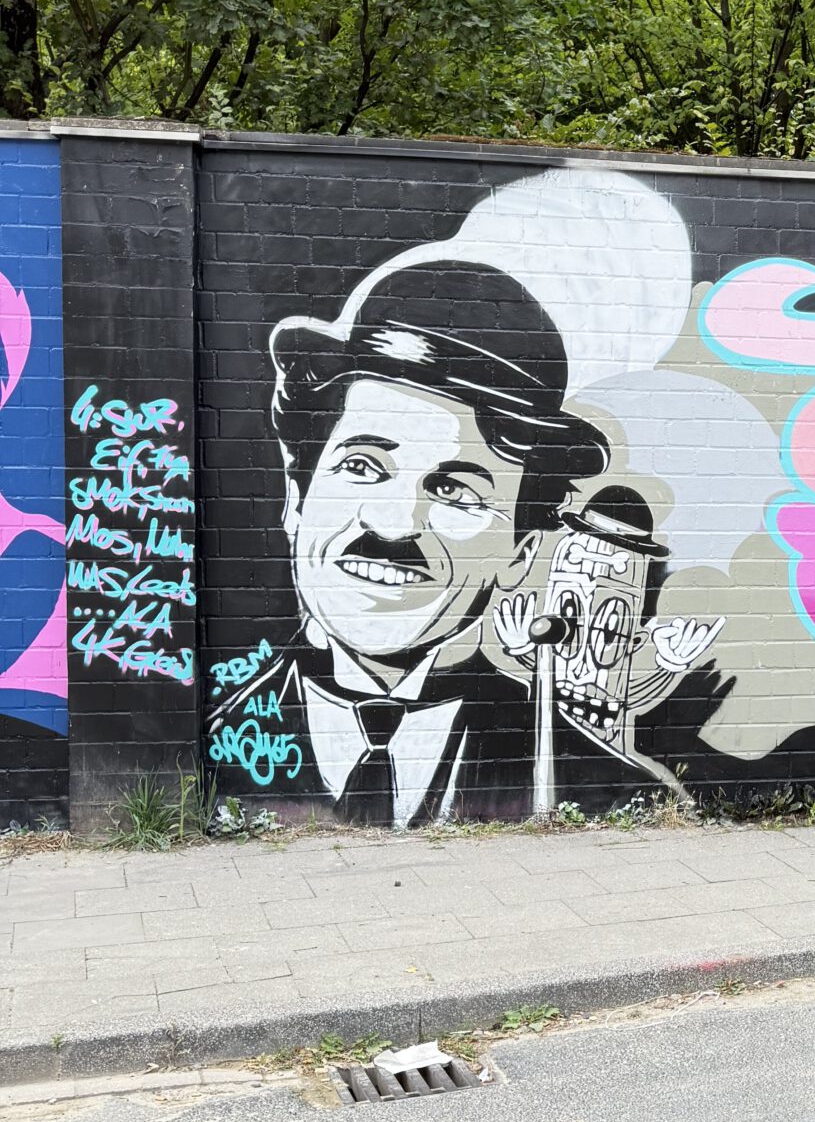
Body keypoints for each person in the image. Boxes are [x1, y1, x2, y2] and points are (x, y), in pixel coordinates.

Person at [208, 260, 614, 827]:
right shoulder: (208, 746)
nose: (396, 525)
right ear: (297, 498)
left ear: (519, 553)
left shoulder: (591, 782)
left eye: (455, 491)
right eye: (362, 466)